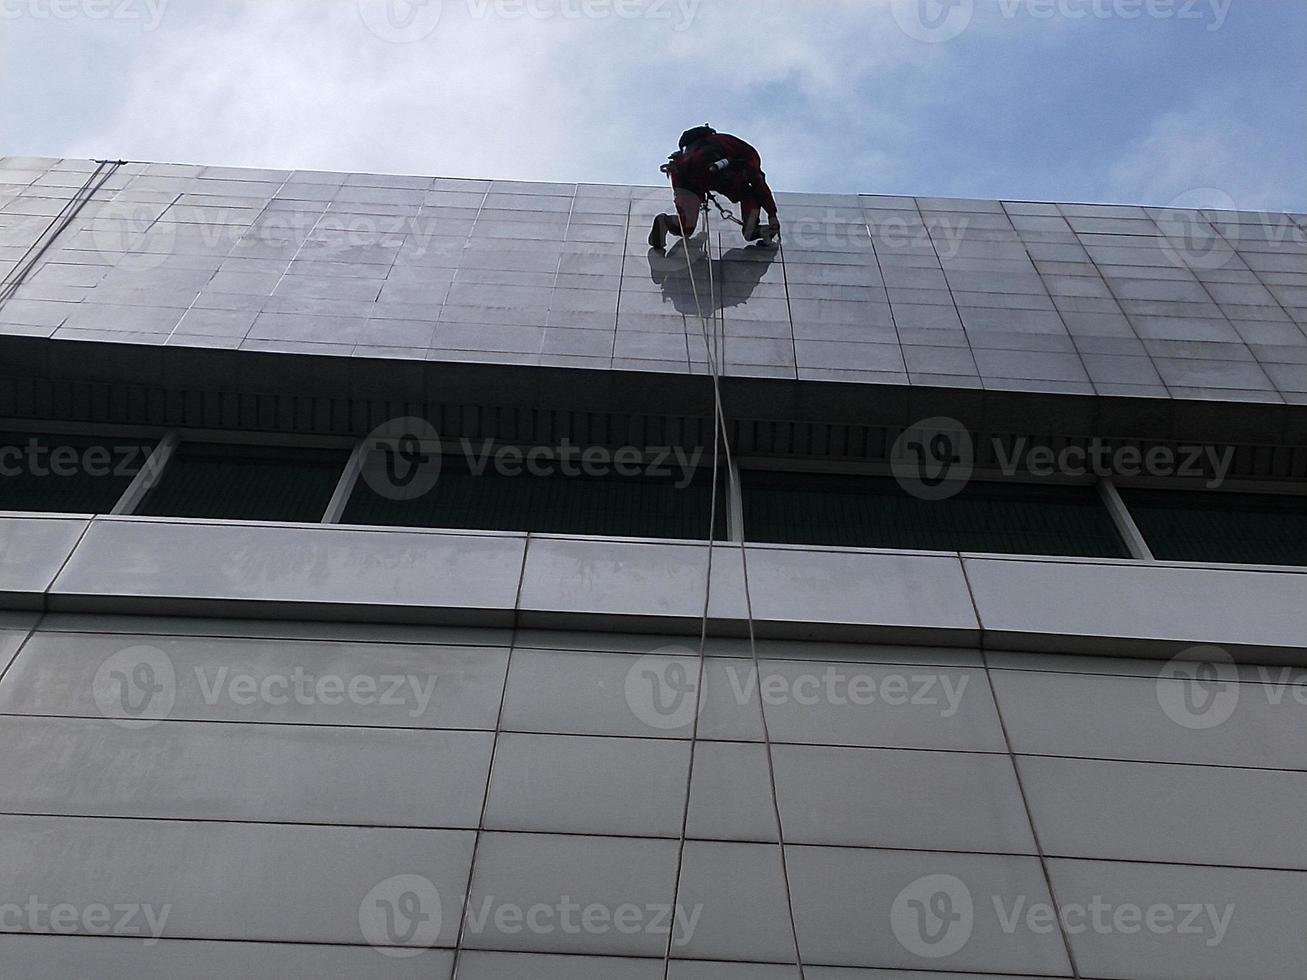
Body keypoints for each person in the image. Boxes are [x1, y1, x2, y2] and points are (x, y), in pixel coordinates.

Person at [649, 125, 780, 252]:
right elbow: (758, 183)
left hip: (684, 175)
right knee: (748, 193)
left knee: (686, 227)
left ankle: (665, 222)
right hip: (717, 172)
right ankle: (751, 228)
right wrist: (772, 214)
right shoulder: (735, 147)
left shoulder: (686, 155)